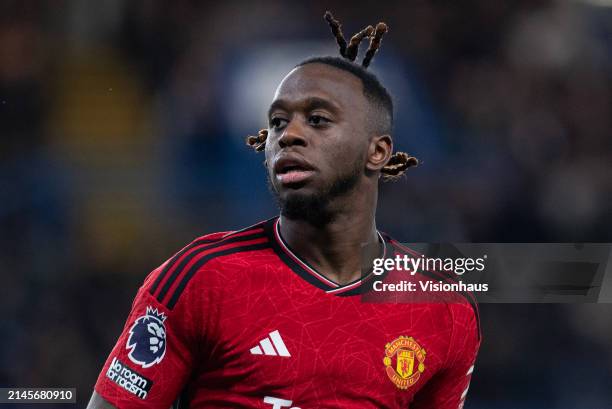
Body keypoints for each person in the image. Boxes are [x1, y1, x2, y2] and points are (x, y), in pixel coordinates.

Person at [87, 11, 480, 409]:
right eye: (277, 123)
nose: (288, 135)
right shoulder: (200, 280)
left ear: (376, 152)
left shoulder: (441, 307)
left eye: (317, 120)